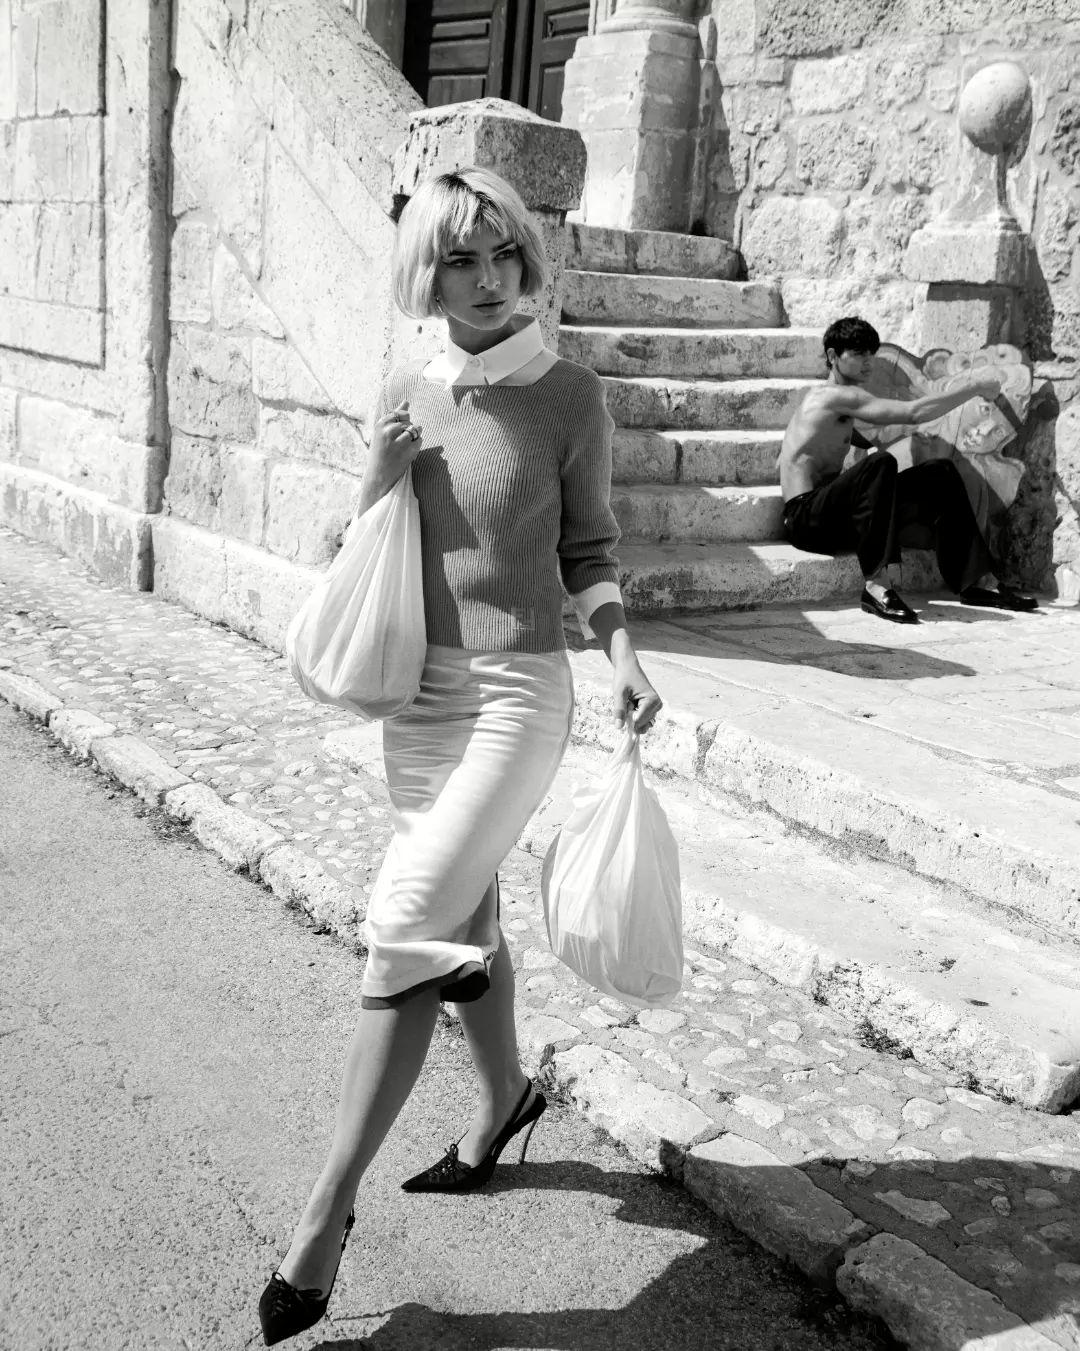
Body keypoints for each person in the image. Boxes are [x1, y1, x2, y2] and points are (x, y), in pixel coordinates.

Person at [257, 167, 663, 1346]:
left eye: (502, 256)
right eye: (458, 261)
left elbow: (588, 552)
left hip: (517, 697)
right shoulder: (407, 386)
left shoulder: (570, 395)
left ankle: (324, 1213)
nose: (487, 281)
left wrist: (625, 655)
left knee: (405, 919)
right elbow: (370, 539)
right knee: (464, 919)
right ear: (424, 276)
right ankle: (503, 1103)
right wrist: (378, 473)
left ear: (527, 262)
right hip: (420, 700)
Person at [778, 315, 1037, 622]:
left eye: (871, 354)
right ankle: (877, 586)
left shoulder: (836, 404)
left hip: (834, 517)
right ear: (833, 357)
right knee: (880, 464)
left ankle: (975, 582)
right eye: (858, 354)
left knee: (940, 473)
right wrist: (975, 386)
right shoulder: (835, 396)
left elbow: (791, 458)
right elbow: (913, 413)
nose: (868, 362)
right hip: (806, 522)